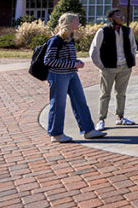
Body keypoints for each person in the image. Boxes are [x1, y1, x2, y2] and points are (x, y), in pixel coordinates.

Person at [45, 12, 106, 142]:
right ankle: (56, 134)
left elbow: (65, 57)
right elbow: (48, 61)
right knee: (58, 105)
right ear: (69, 22)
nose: (79, 23)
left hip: (72, 74)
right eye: (77, 20)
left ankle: (88, 130)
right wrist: (74, 64)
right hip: (58, 76)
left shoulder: (69, 38)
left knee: (80, 102)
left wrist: (76, 62)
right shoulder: (56, 40)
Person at [88, 8, 138, 131]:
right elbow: (94, 50)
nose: (122, 17)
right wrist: (101, 66)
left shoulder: (128, 31)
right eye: (118, 15)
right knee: (105, 94)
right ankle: (101, 120)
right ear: (111, 18)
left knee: (121, 93)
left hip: (125, 67)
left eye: (122, 15)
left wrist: (129, 62)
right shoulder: (103, 31)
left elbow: (133, 47)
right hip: (108, 68)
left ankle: (120, 118)